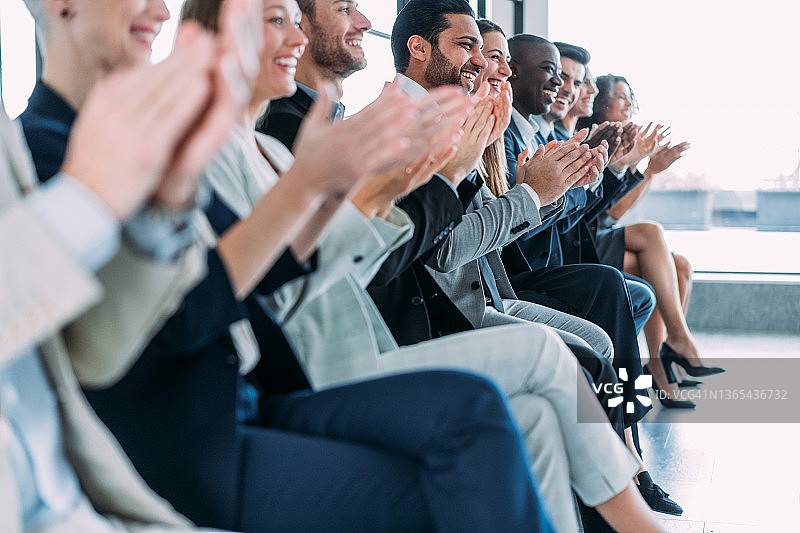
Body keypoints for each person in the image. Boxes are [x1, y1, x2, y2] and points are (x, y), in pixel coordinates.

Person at [18, 1, 563, 532]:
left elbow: (257, 282)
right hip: (202, 437)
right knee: (467, 451)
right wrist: (341, 190)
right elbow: (168, 326)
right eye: (275, 20)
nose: (160, 12)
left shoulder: (204, 145)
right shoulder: (58, 151)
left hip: (254, 393)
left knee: (486, 414)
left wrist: (361, 191)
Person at [0, 6, 255, 529]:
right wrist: (84, 203)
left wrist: (163, 204)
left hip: (92, 501)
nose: (161, 11)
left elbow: (89, 355)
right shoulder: (43, 140)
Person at [576, 74, 722, 406]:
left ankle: (665, 361)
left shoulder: (621, 141)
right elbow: (614, 212)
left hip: (600, 235)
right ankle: (669, 354)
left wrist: (649, 167)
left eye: (631, 97)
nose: (629, 103)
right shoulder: (594, 138)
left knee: (679, 265)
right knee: (652, 239)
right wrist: (650, 169)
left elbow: (618, 207)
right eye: (620, 96)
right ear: (600, 103)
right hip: (584, 239)